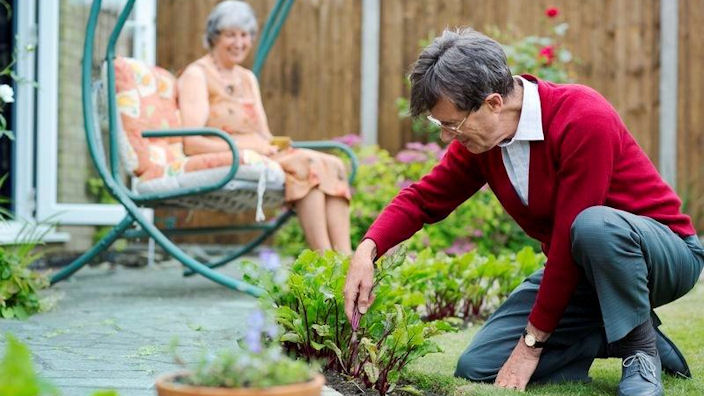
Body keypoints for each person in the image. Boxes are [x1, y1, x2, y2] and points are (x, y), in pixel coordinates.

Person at [343, 28, 703, 395]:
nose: (446, 137)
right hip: (584, 272)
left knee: (593, 225)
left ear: (494, 103)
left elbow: (568, 238)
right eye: (441, 125)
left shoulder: (583, 116)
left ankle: (638, 351)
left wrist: (531, 345)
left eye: (452, 123)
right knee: (479, 366)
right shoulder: (484, 144)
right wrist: (367, 249)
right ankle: (623, 330)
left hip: (662, 255)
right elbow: (423, 199)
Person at [178, 0, 351, 254]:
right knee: (307, 167)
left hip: (260, 152)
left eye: (244, 35)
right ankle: (326, 261)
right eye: (230, 35)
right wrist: (249, 146)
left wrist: (273, 145)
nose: (239, 43)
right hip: (230, 155)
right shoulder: (197, 75)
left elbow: (264, 136)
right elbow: (191, 143)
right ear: (214, 37)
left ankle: (346, 258)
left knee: (334, 165)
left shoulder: (247, 78)